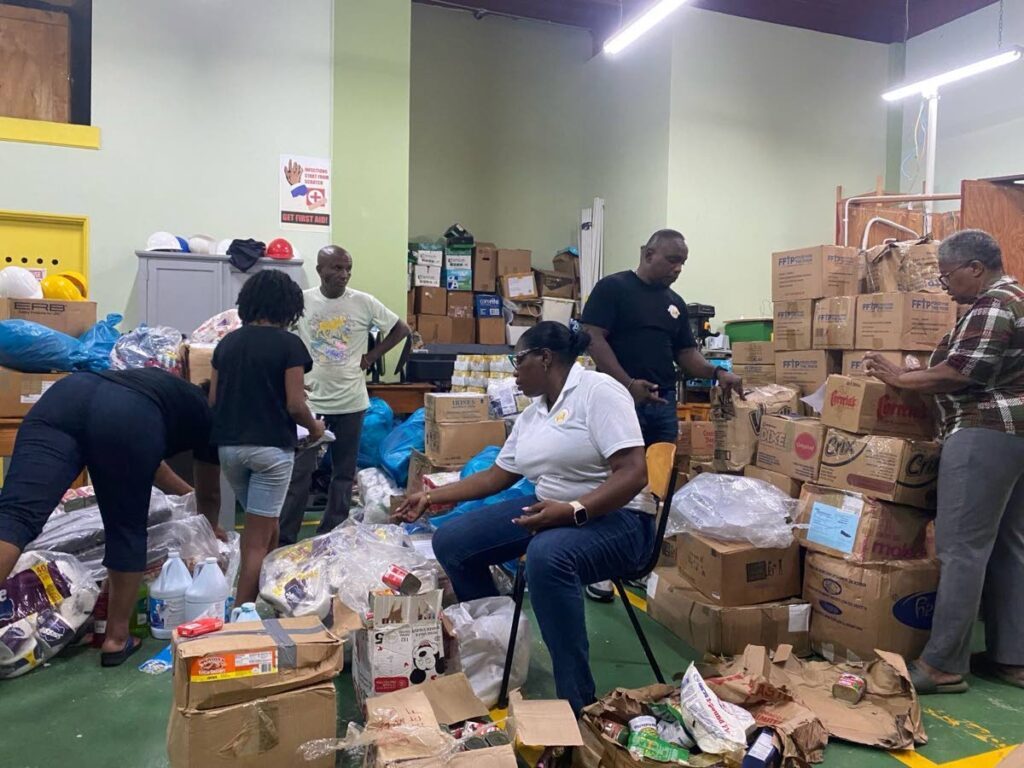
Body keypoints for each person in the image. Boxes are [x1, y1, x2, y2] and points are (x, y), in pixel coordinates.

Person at [394, 322, 650, 719]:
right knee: (453, 542)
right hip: (553, 508)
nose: (514, 371)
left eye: (519, 360)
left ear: (544, 358)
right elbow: (497, 475)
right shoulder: (534, 413)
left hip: (618, 519)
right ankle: (496, 650)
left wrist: (574, 511)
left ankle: (578, 703)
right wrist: (430, 496)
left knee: (549, 557)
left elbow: (634, 473)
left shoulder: (599, 393)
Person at [864, 229, 1024, 694]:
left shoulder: (995, 303)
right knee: (1010, 547)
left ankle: (942, 665)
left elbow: (961, 372)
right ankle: (1012, 658)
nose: (945, 284)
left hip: (985, 433)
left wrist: (902, 377)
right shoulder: (1016, 299)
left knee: (962, 548)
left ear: (976, 268)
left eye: (948, 274)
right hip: (1015, 436)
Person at [0, 368, 222, 667]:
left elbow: (150, 462)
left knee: (15, 516)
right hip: (126, 415)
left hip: (65, 397)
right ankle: (116, 640)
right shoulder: (210, 415)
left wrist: (185, 493)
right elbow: (208, 495)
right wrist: (208, 535)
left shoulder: (159, 386)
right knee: (126, 527)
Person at [579, 228, 742, 601]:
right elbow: (592, 337)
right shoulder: (613, 289)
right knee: (616, 481)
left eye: (682, 262)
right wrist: (627, 383)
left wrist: (718, 373)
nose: (678, 268)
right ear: (648, 253)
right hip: (620, 402)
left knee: (652, 487)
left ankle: (634, 562)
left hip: (661, 405)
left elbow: (686, 354)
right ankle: (600, 569)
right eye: (672, 260)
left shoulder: (674, 303)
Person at [281, 245, 411, 539]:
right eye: (336, 268)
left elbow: (401, 329)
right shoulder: (303, 302)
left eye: (347, 268)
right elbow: (284, 336)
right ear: (320, 270)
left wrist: (371, 357)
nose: (344, 274)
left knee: (342, 475)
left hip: (351, 401)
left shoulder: (364, 302)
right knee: (299, 475)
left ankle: (333, 534)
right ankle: (285, 537)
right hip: (311, 403)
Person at [210, 270, 323, 604]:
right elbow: (295, 404)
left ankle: (267, 594)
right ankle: (242, 616)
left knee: (267, 524)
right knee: (256, 542)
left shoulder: (227, 343)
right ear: (289, 307)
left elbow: (214, 401)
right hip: (271, 451)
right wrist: (315, 427)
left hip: (229, 449)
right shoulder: (289, 344)